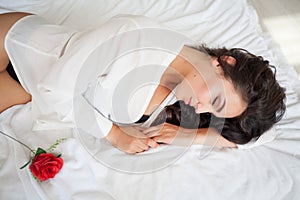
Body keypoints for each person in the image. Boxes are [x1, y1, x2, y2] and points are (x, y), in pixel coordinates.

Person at [0, 12, 286, 154]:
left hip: (28, 92)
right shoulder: (136, 36)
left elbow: (261, 137)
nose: (201, 109)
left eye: (212, 111)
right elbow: (58, 89)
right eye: (215, 99)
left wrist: (185, 135)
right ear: (224, 62)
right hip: (19, 46)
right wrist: (113, 134)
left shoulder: (185, 92)